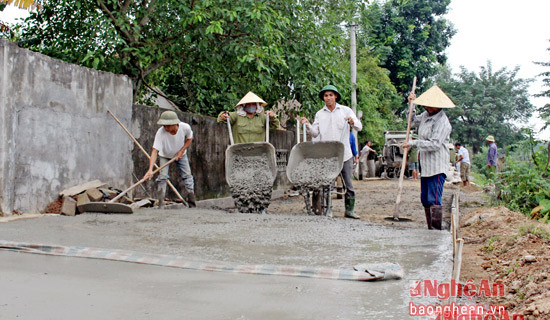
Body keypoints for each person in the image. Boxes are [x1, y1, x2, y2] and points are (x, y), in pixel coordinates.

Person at [300, 85, 362, 219]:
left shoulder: (345, 111)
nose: (328, 98)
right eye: (325, 95)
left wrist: (352, 121)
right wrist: (307, 124)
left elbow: (359, 126)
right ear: (323, 98)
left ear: (336, 96)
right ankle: (328, 210)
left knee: (348, 184)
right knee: (327, 185)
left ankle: (349, 210)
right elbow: (315, 133)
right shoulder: (319, 114)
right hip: (327, 156)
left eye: (330, 95)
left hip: (345, 154)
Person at [402, 86, 453, 230]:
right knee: (425, 198)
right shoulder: (425, 116)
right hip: (425, 166)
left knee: (433, 198)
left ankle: (436, 229)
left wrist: (413, 143)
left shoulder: (443, 122)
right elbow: (411, 122)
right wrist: (411, 105)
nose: (427, 107)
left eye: (430, 105)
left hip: (437, 166)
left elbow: (435, 144)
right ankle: (430, 227)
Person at [144, 111, 196, 207]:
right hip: (165, 155)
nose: (165, 127)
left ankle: (192, 203)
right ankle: (160, 204)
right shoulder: (160, 132)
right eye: (164, 125)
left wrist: (182, 150)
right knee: (162, 177)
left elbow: (189, 138)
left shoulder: (185, 127)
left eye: (167, 125)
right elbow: (155, 151)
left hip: (181, 155)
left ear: (175, 123)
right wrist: (150, 170)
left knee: (187, 176)